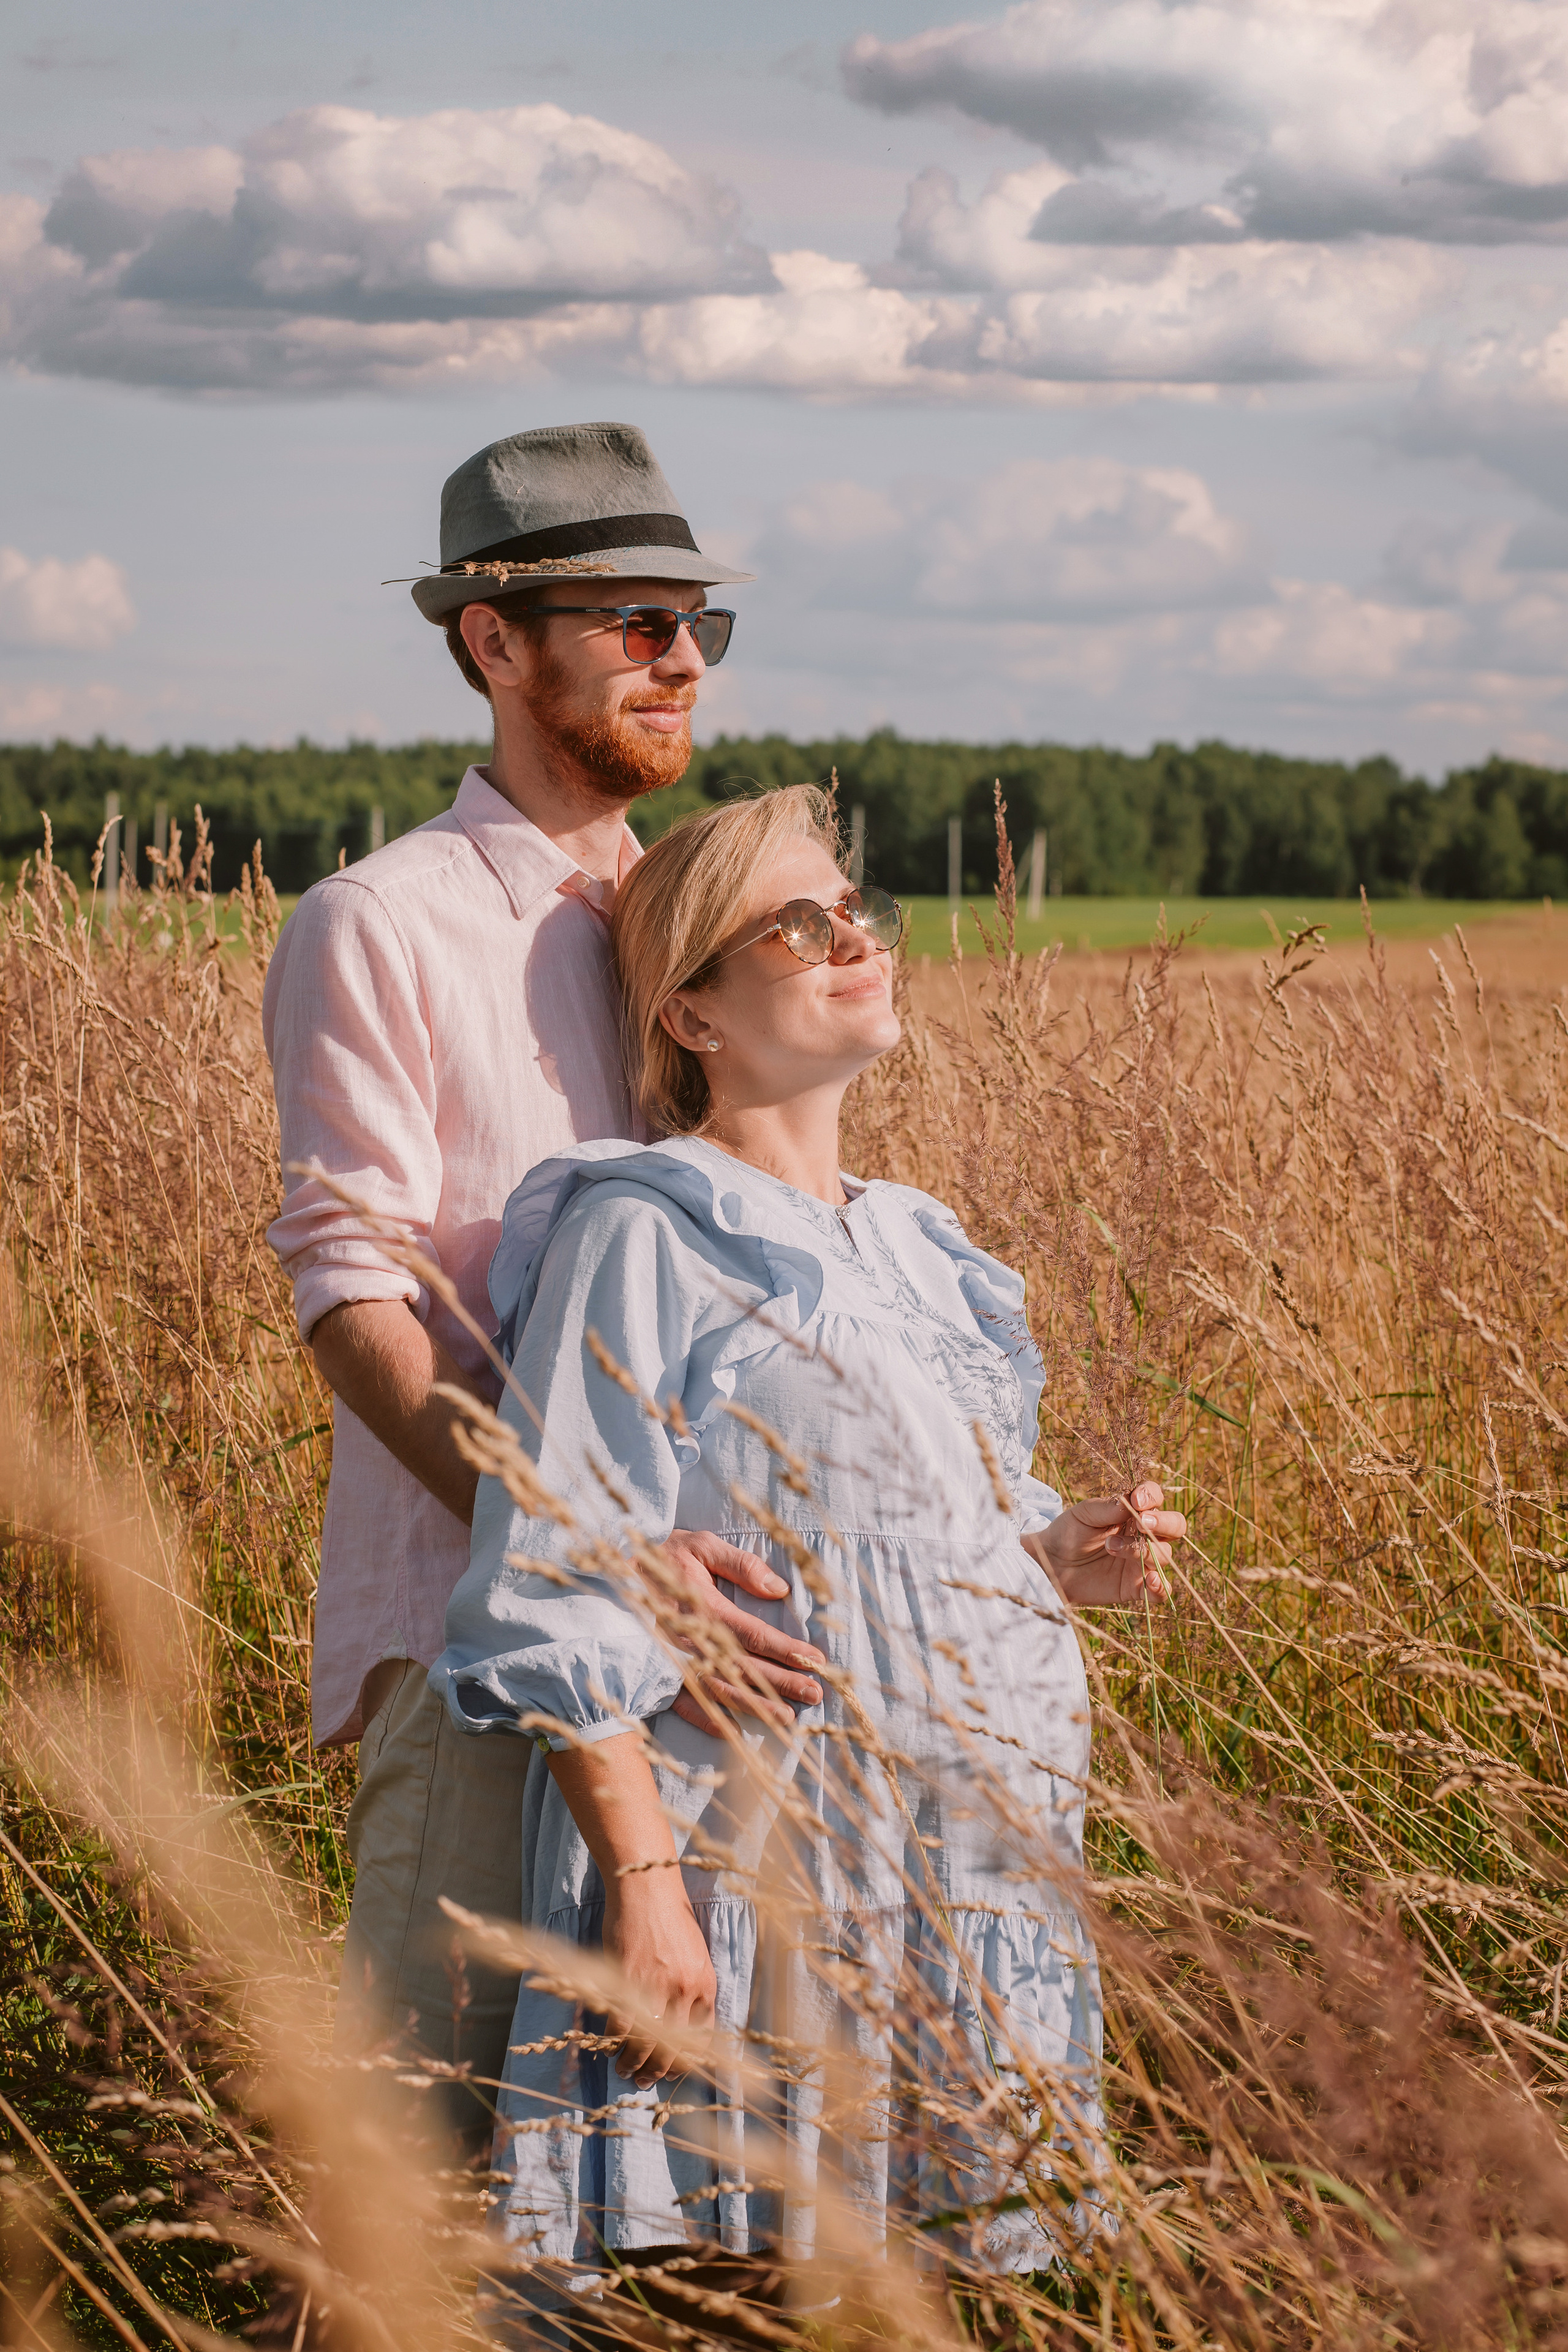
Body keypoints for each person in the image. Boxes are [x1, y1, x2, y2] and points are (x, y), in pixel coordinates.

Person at [430, 785, 1187, 2331]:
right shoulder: (649, 1227)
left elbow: (876, 1545)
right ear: (692, 1010)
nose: (851, 936)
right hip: (763, 1890)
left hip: (958, 1883)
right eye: (797, 921)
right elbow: (555, 1575)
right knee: (742, 2298)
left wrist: (1044, 1554)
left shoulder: (917, 1246)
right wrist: (644, 1894)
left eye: (855, 908)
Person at [262, 423, 827, 2153]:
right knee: (421, 2210)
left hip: (734, 1676)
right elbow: (352, 1293)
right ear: (493, 645)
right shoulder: (383, 923)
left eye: (696, 627)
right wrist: (585, 1548)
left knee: (679, 2229)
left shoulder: (709, 928)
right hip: (484, 1661)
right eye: (634, 622)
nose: (681, 662)